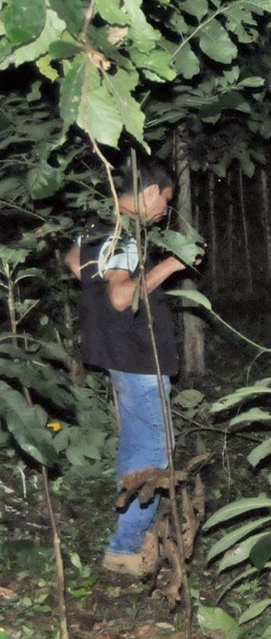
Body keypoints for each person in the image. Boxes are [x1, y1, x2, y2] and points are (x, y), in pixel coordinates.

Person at [68, 158, 198, 575]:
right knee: (155, 453)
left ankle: (134, 535)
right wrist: (173, 263)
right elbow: (122, 297)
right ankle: (126, 548)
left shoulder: (98, 221)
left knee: (136, 445)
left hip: (114, 351)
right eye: (164, 198)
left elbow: (74, 260)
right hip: (138, 355)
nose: (164, 209)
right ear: (148, 193)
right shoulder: (126, 233)